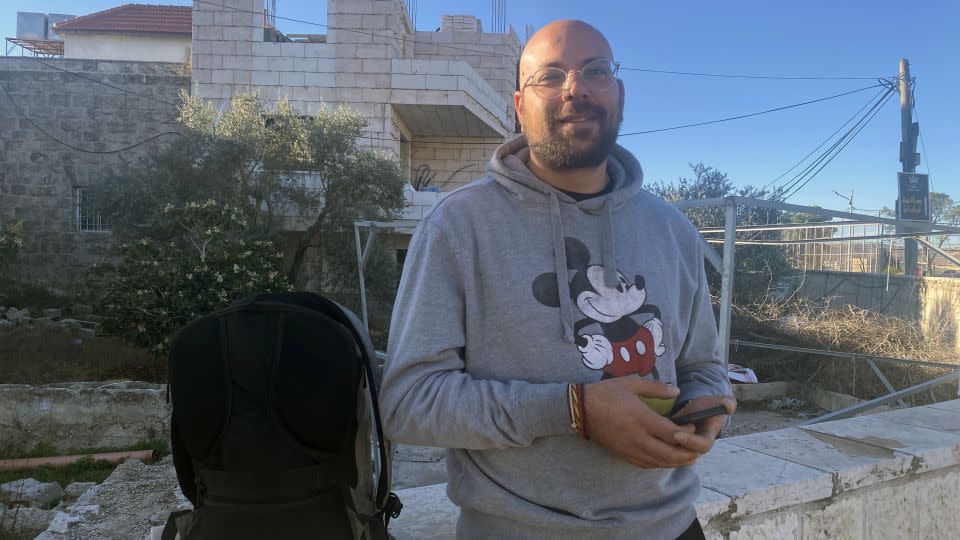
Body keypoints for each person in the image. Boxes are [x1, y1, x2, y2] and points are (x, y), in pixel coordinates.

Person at [380, 19, 735, 540]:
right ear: (520, 105)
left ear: (619, 93)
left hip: (672, 529)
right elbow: (410, 403)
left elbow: (704, 367)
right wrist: (575, 410)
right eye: (551, 75)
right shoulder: (457, 227)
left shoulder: (673, 230)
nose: (577, 88)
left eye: (596, 71)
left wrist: (708, 411)